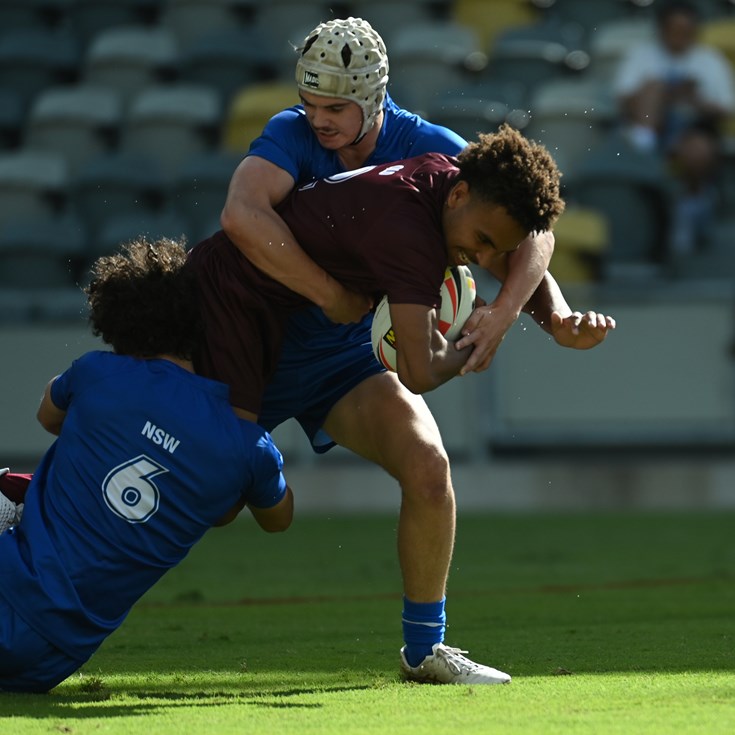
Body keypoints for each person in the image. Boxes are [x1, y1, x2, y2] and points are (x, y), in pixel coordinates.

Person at [216, 16, 614, 686]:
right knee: (207, 501)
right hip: (253, 346)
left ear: (374, 97)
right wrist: (326, 292)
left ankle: (423, 650)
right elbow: (241, 212)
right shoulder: (288, 132)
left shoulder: (426, 145)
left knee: (429, 467)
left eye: (335, 105)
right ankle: (28, 499)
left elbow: (529, 225)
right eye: (310, 101)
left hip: (345, 360)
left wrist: (540, 315)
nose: (318, 119)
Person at [0, 238, 293, 693]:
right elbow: (279, 519)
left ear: (118, 319)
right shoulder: (247, 448)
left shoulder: (98, 374)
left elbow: (47, 416)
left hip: (7, 587)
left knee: (7, 490)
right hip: (48, 661)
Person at [613, 0, 735, 254]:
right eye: (674, 30)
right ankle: (645, 151)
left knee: (698, 150)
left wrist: (693, 99)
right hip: (651, 128)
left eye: (686, 30)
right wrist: (668, 93)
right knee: (654, 87)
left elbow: (725, 108)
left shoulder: (709, 60)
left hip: (693, 129)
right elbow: (623, 99)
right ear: (661, 29)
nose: (680, 37)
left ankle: (692, 205)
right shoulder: (642, 55)